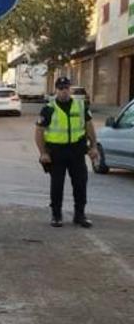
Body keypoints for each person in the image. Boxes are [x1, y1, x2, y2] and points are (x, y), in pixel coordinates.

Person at [35, 77, 99, 228]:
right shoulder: (48, 108)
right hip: (56, 152)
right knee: (57, 185)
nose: (64, 91)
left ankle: (80, 215)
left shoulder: (81, 105)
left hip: (77, 151)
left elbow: (89, 126)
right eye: (61, 88)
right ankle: (56, 215)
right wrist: (43, 153)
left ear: (70, 89)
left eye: (66, 88)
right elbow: (39, 132)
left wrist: (94, 146)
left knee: (80, 183)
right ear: (56, 90)